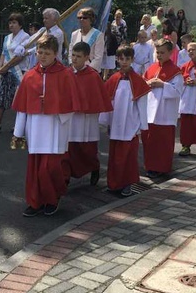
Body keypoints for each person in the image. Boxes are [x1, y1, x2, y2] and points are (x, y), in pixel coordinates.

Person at [12, 34, 80, 217]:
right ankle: (35, 202)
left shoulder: (65, 74)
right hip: (35, 128)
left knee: (49, 168)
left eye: (47, 53)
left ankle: (52, 198)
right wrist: (19, 132)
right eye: (40, 52)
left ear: (56, 53)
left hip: (55, 127)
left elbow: (72, 103)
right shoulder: (30, 76)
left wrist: (52, 102)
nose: (42, 56)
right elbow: (22, 107)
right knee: (35, 169)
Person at [100, 45, 150, 197]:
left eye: (127, 59)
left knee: (128, 157)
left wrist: (142, 126)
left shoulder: (138, 81)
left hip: (130, 124)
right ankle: (114, 183)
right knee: (115, 156)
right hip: (115, 124)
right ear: (117, 59)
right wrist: (106, 122)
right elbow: (107, 103)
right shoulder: (113, 79)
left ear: (132, 60)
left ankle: (127, 183)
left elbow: (142, 105)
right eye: (121, 59)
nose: (124, 62)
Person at [66, 41, 112, 186]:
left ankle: (94, 168)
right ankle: (66, 175)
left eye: (78, 56)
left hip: (87, 119)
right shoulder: (66, 74)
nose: (74, 59)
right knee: (69, 148)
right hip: (70, 118)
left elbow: (98, 98)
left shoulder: (92, 75)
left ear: (86, 57)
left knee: (87, 148)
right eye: (73, 55)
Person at [142, 39, 184, 177]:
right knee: (150, 141)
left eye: (162, 52)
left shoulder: (175, 71)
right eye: (157, 52)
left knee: (162, 142)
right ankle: (150, 166)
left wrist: (162, 85)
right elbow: (143, 85)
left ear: (170, 53)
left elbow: (178, 91)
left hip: (165, 113)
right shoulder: (152, 68)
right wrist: (148, 83)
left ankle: (162, 167)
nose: (159, 55)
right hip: (150, 111)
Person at [0, 13, 30, 134]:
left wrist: (8, 66)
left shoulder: (25, 37)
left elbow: (22, 55)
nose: (11, 25)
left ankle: (19, 125)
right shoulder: (7, 38)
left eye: (14, 22)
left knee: (19, 99)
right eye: (10, 22)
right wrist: (1, 66)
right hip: (6, 71)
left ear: (20, 24)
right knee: (2, 97)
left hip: (18, 71)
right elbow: (3, 53)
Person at [68, 7, 105, 72]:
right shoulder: (74, 34)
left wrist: (86, 70)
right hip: (75, 71)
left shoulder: (98, 35)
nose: (81, 19)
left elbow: (98, 57)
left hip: (91, 72)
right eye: (79, 18)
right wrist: (73, 66)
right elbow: (71, 52)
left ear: (91, 19)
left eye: (84, 18)